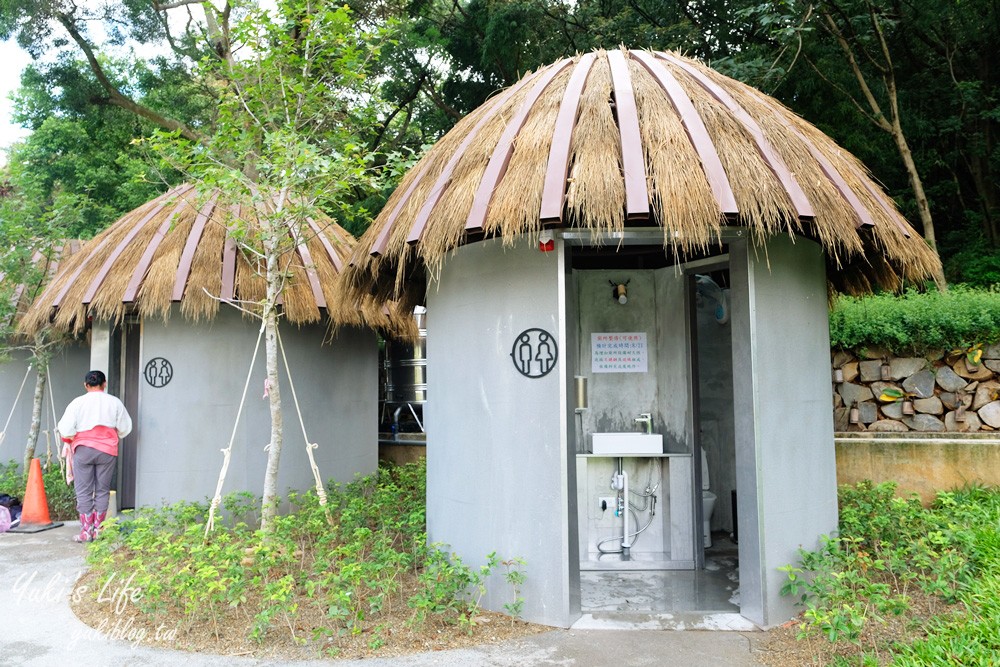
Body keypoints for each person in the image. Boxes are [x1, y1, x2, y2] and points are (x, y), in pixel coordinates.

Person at [58, 370, 132, 543]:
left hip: (83, 450)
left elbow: (66, 429)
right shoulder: (114, 402)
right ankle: (99, 530)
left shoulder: (77, 403)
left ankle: (86, 532)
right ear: (104, 383)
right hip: (107, 451)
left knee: (83, 491)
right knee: (102, 490)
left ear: (85, 385)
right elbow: (125, 428)